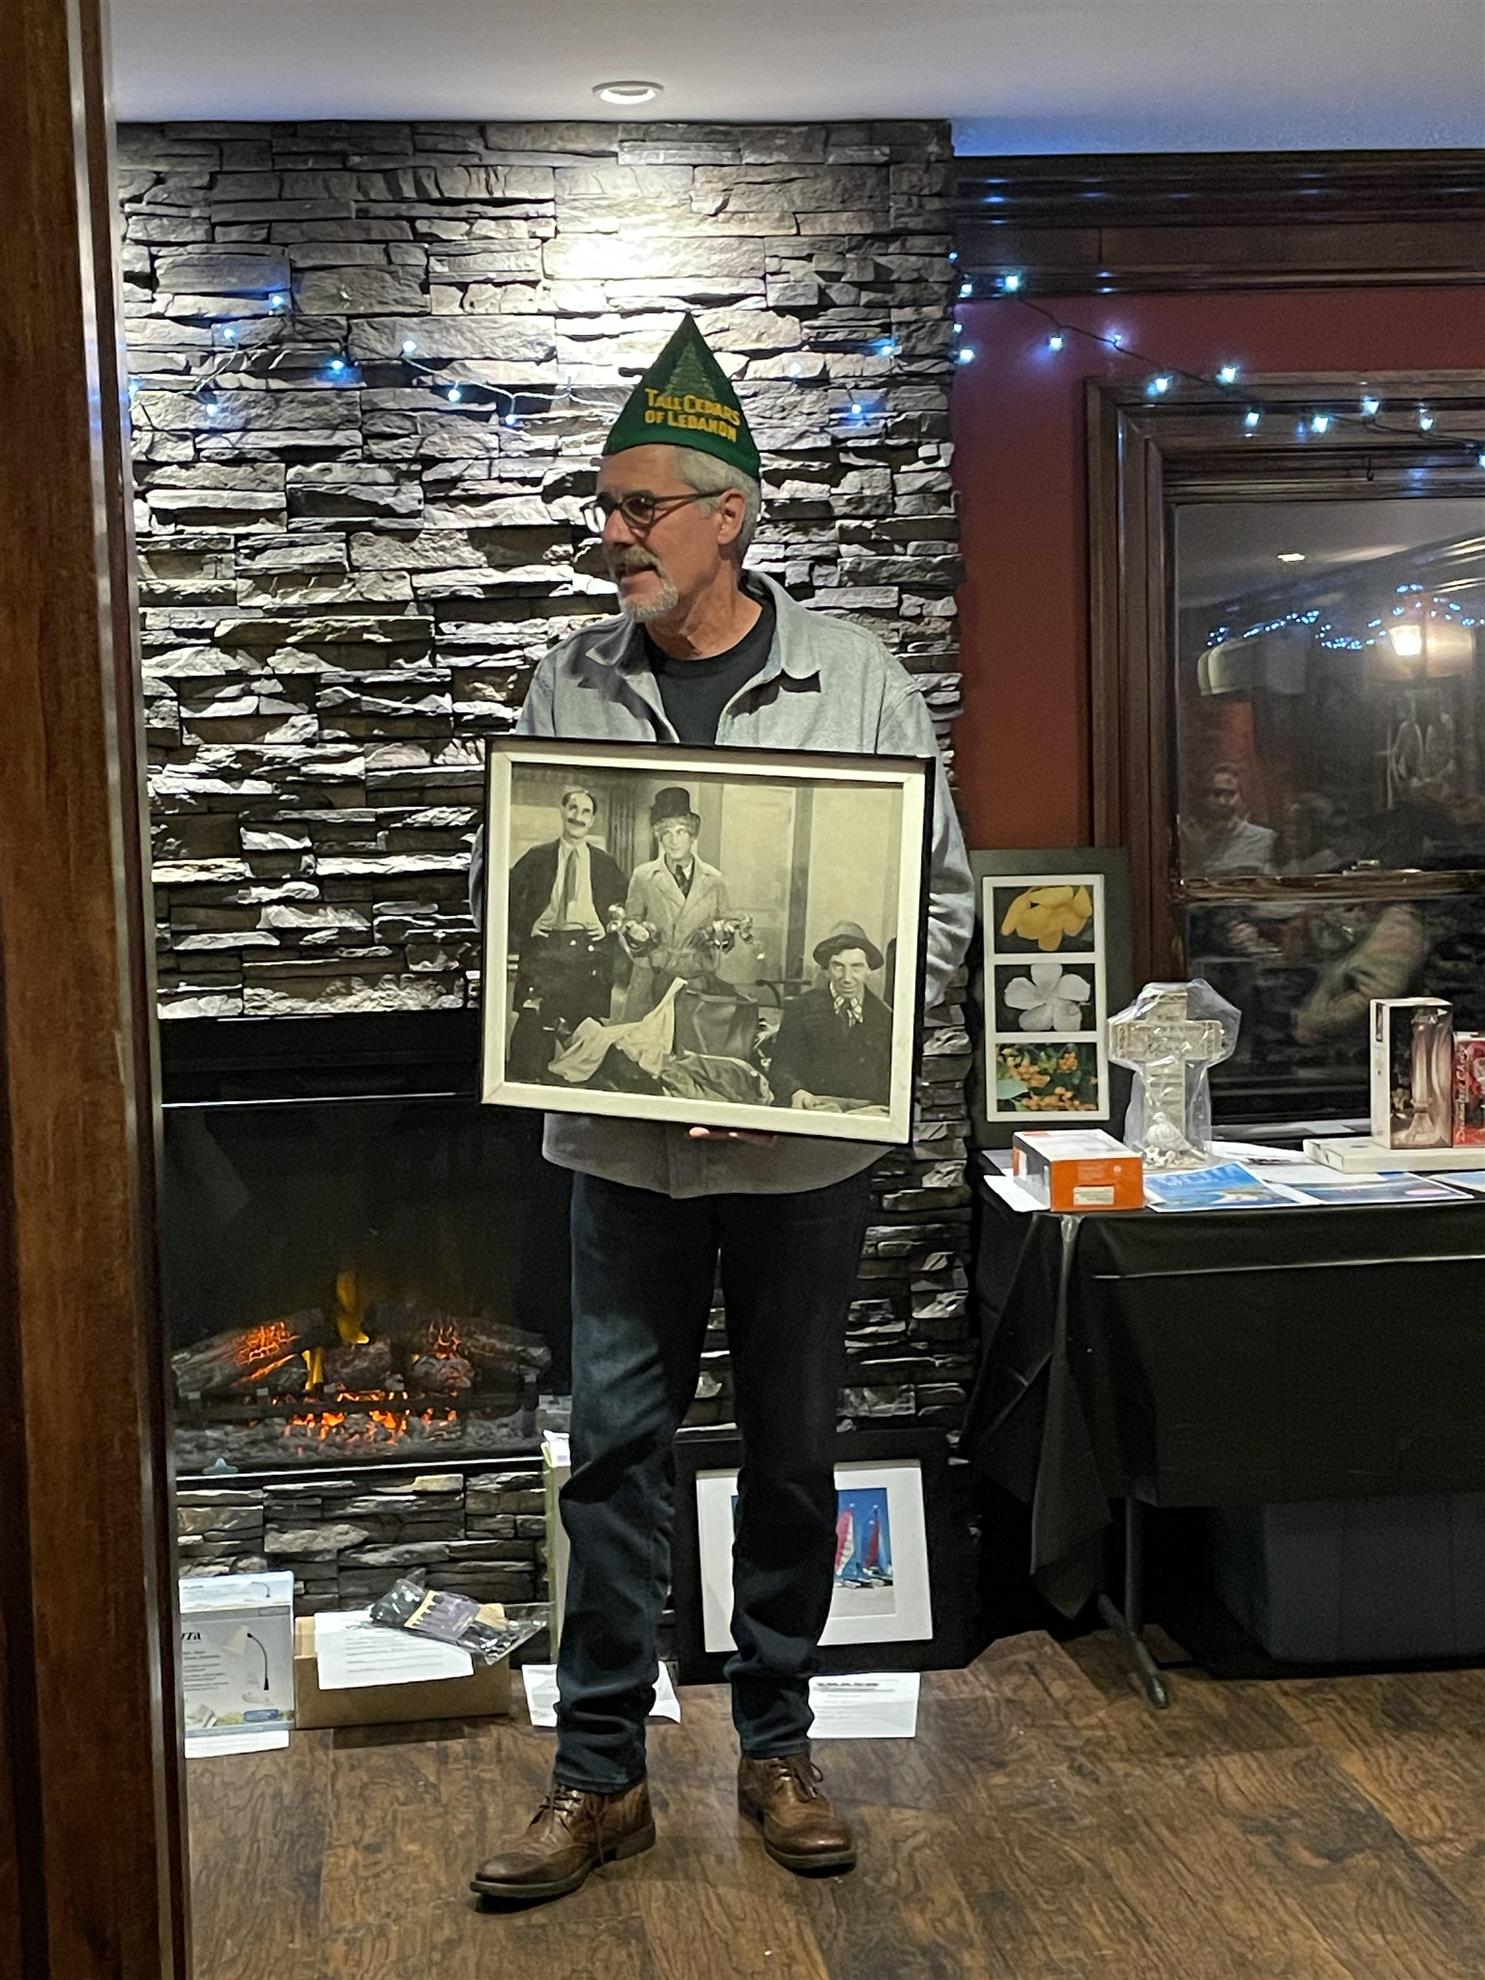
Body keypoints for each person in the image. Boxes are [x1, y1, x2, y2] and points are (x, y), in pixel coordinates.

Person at [467, 315, 972, 1904]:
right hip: (618, 1147)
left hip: (800, 1155)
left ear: (728, 516)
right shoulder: (566, 679)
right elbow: (509, 899)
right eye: (604, 509)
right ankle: (597, 1777)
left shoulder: (857, 680)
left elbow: (941, 911)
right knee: (611, 1451)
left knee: (794, 1452)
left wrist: (839, 1056)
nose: (610, 535)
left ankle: (778, 1746)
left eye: (639, 509)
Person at [503, 786, 628, 1081]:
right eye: (573, 808)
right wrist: (527, 927)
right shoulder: (537, 857)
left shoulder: (605, 864)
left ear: (593, 820)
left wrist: (606, 927)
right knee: (532, 1034)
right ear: (562, 811)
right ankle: (530, 1084)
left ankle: (575, 1087)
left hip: (587, 952)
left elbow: (624, 907)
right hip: (544, 950)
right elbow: (504, 897)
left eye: (586, 812)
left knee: (584, 1034)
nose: (578, 817)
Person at [618, 786, 733, 1020]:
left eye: (681, 832)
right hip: (651, 979)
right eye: (666, 833)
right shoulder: (643, 876)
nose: (673, 840)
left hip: (695, 982)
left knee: (687, 1040)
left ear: (692, 835)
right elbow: (630, 923)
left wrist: (722, 933)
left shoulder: (714, 880)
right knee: (644, 1040)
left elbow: (728, 932)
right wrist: (636, 934)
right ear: (659, 836)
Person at [768, 922, 894, 1113]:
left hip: (867, 1112)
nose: (847, 978)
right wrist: (796, 1092)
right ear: (826, 970)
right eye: (838, 966)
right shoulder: (800, 1009)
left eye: (856, 967)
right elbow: (781, 1067)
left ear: (869, 969)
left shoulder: (886, 1017)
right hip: (813, 1107)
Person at [1188, 763, 1278, 877]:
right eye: (1217, 794)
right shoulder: (1198, 846)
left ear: (1241, 797)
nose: (1222, 801)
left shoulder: (1265, 839)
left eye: (1230, 794)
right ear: (1206, 798)